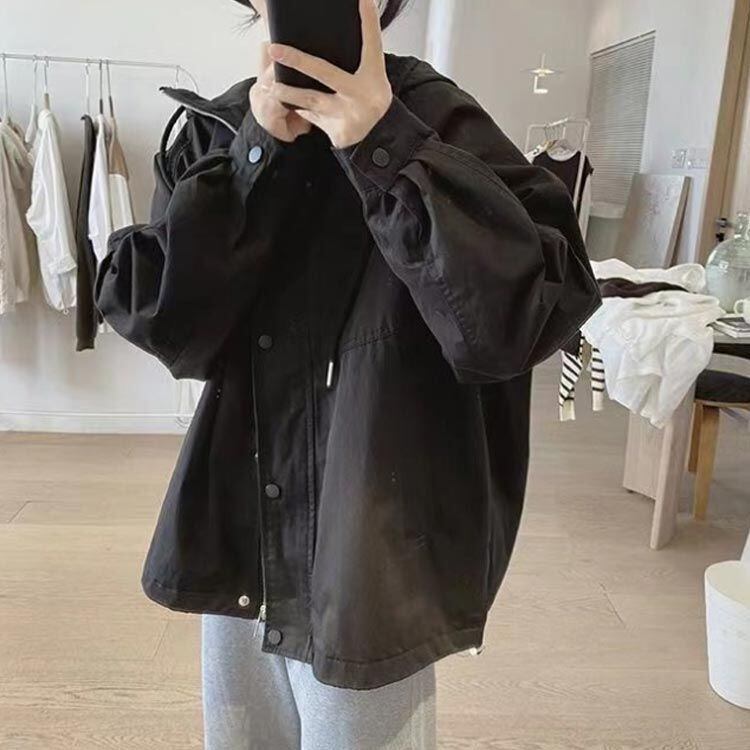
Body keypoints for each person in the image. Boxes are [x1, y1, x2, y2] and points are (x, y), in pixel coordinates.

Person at [95, 0, 602, 747]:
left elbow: (515, 320)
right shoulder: (216, 133)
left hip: (377, 551)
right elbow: (167, 325)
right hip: (243, 533)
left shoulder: (441, 124)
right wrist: (253, 157)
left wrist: (386, 146)